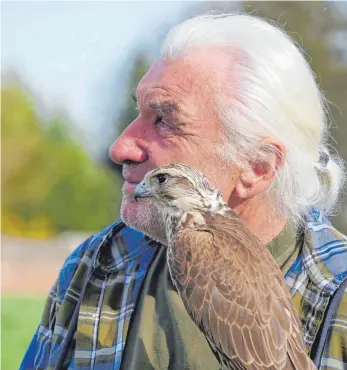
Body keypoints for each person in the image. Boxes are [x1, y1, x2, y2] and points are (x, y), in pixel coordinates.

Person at [21, 13, 347, 370]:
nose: (120, 147)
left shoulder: (338, 292)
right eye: (139, 112)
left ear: (257, 166)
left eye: (164, 121)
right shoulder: (97, 265)